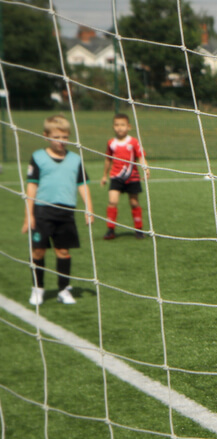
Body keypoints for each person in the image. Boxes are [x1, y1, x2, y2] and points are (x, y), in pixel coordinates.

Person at [22, 115, 94, 306]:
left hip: (66, 213)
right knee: (38, 251)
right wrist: (29, 214)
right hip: (42, 212)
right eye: (57, 137)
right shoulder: (38, 157)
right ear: (46, 136)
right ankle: (37, 288)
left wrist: (89, 208)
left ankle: (63, 289)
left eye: (65, 137)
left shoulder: (75, 159)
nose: (61, 141)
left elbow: (82, 184)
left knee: (63, 251)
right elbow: (31, 186)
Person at [100, 113, 150, 240]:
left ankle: (138, 229)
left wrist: (146, 168)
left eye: (122, 125)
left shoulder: (133, 142)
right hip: (116, 177)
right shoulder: (111, 142)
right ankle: (110, 229)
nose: (119, 128)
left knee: (134, 202)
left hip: (132, 177)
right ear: (113, 127)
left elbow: (140, 156)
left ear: (129, 127)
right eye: (117, 125)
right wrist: (104, 175)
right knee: (112, 201)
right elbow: (108, 159)